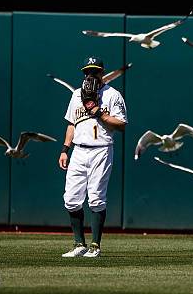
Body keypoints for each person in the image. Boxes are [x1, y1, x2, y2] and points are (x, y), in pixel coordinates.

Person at [58, 56, 127, 257]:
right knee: (71, 198)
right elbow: (72, 123)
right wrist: (64, 149)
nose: (90, 75)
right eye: (87, 71)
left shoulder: (112, 95)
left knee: (96, 198)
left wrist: (101, 114)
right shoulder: (77, 95)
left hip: (101, 149)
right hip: (78, 150)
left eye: (94, 71)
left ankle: (95, 245)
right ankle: (79, 244)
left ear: (101, 72)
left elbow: (122, 125)